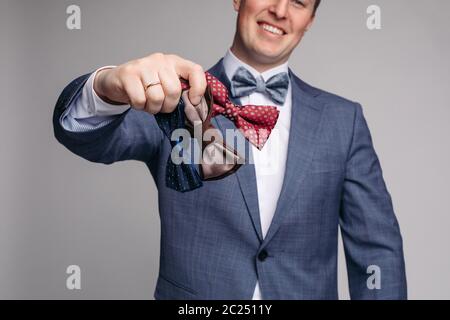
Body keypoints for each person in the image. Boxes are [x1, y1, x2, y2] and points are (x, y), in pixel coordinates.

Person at [53, 0, 407, 299]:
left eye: (299, 1)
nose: (280, 10)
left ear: (310, 20)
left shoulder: (343, 120)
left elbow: (378, 248)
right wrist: (107, 85)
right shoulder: (175, 97)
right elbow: (89, 136)